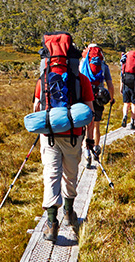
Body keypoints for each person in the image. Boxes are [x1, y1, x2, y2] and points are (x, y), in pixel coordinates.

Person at [34, 32, 95, 242]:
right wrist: (89, 140)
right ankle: (69, 213)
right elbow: (89, 114)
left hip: (48, 134)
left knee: (51, 175)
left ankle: (51, 223)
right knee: (70, 175)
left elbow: (36, 108)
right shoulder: (82, 80)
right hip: (74, 136)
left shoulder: (42, 80)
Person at [79, 43, 113, 168]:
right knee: (96, 125)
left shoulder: (82, 63)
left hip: (85, 97)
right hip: (99, 97)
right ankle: (96, 149)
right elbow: (110, 84)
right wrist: (111, 98)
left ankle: (87, 151)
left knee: (87, 125)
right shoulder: (103, 65)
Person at [119, 48, 135, 129]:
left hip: (126, 82)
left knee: (126, 103)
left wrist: (121, 87)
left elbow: (122, 74)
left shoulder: (125, 61)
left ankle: (125, 115)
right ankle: (132, 122)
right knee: (134, 104)